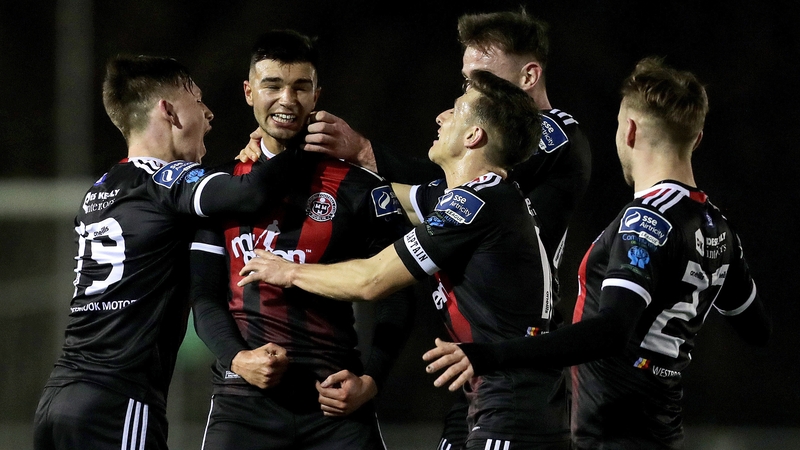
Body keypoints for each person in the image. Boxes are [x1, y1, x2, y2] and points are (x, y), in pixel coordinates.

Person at [422, 57, 771, 449]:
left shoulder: (645, 221)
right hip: (661, 430)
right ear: (698, 138)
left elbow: (611, 331)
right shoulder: (718, 227)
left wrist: (491, 355)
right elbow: (756, 330)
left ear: (631, 131)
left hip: (614, 433)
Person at [239, 70, 571, 450]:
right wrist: (281, 158)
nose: (441, 117)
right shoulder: (485, 196)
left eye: (456, 110)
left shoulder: (473, 205)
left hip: (513, 410)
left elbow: (371, 280)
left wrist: (287, 271)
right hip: (499, 402)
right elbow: (377, 198)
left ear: (473, 136)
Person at [32, 55, 318, 450]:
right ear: (167, 111)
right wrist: (297, 135)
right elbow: (250, 194)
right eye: (197, 100)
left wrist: (239, 168)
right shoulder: (166, 181)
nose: (209, 112)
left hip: (59, 399)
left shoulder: (103, 187)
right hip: (117, 401)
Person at [189, 30, 415, 450]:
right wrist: (239, 359)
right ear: (249, 91)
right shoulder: (219, 187)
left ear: (317, 96)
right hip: (244, 400)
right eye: (272, 85)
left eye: (300, 86)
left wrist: (371, 381)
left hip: (335, 402)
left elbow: (398, 295)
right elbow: (203, 295)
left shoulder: (356, 187)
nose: (287, 99)